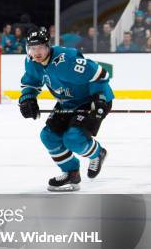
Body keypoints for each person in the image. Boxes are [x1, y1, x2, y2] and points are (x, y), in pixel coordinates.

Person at [18, 27, 113, 192]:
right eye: (32, 48)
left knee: (73, 139)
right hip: (67, 103)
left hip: (90, 100)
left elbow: (101, 75)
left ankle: (97, 153)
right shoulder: (32, 61)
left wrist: (100, 100)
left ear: (48, 46)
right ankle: (71, 173)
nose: (36, 52)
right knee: (48, 136)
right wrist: (27, 97)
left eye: (40, 47)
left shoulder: (67, 60)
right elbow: (31, 83)